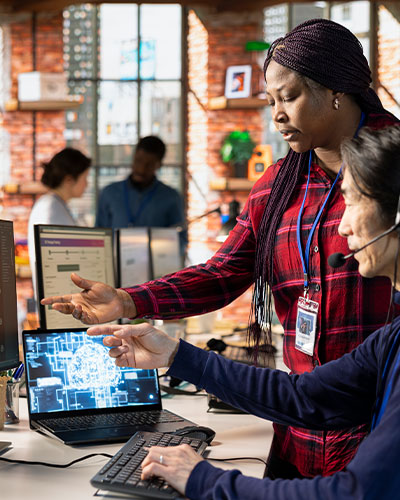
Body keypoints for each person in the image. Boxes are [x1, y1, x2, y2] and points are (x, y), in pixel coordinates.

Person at [41, 19, 400, 479]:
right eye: (270, 101)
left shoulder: (392, 169)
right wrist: (130, 300)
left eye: (288, 97)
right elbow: (222, 273)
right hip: (298, 426)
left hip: (379, 433)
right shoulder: (278, 186)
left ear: (336, 90)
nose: (277, 115)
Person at [87, 125, 400, 499]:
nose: (343, 224)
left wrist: (203, 479)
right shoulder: (392, 337)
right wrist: (174, 355)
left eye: (351, 201)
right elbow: (303, 397)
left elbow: (355, 494)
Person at [95, 135, 186, 253]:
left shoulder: (171, 197)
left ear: (158, 165)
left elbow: (180, 240)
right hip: (114, 266)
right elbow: (98, 237)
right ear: (133, 157)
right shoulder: (109, 193)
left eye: (149, 165)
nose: (141, 169)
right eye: (138, 161)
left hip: (155, 269)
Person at [28, 147, 91, 297]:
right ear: (69, 179)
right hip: (57, 297)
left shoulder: (57, 205)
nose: (87, 184)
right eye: (84, 178)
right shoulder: (50, 208)